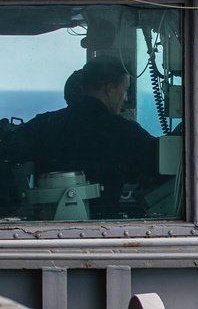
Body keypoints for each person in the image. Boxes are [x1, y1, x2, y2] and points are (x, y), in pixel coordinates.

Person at [15, 57, 158, 219]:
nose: (125, 98)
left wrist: (17, 204)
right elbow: (163, 164)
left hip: (45, 229)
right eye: (124, 90)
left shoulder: (44, 124)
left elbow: (7, 154)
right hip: (107, 227)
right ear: (109, 89)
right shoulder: (126, 132)